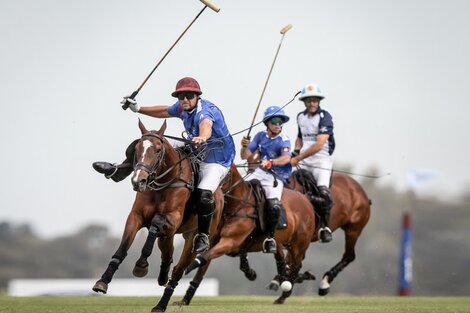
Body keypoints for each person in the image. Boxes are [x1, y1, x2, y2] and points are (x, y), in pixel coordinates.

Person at [93, 77, 236, 253]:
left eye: (189, 95)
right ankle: (119, 171)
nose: (184, 99)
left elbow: (205, 126)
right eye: (180, 96)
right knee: (150, 143)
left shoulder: (205, 112)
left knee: (204, 194)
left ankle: (203, 235)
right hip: (195, 147)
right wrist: (138, 108)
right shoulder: (183, 106)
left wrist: (203, 137)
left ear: (197, 96)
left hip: (216, 160)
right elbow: (164, 111)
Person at [240, 105, 292, 253]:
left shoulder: (284, 139)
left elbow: (286, 158)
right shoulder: (260, 135)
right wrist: (244, 146)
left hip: (276, 175)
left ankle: (270, 238)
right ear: (267, 123)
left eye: (280, 121)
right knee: (238, 188)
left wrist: (272, 162)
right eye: (275, 121)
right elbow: (244, 156)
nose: (278, 124)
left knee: (274, 205)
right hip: (260, 172)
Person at [290, 83, 335, 243]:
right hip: (303, 158)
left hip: (321, 160)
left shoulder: (325, 117)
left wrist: (298, 158)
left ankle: (325, 227)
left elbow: (319, 144)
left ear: (318, 101)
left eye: (314, 100)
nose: (312, 103)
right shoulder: (300, 117)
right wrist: (295, 151)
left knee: (323, 192)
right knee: (288, 184)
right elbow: (300, 137)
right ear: (304, 102)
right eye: (309, 100)